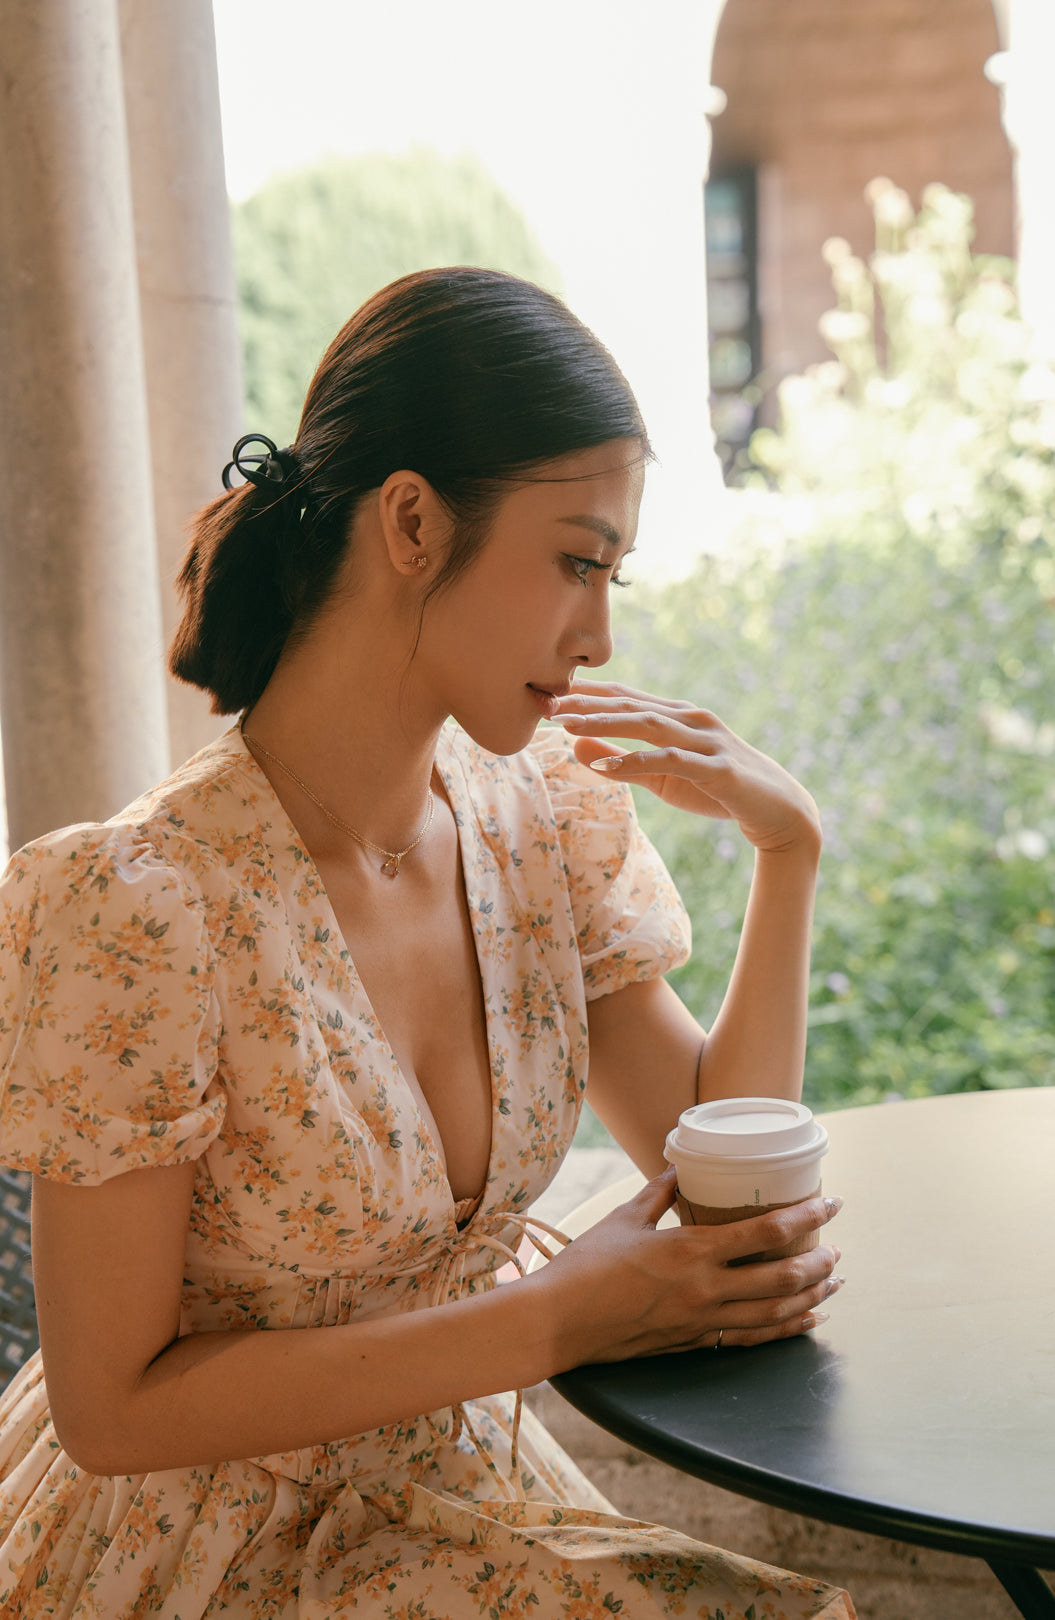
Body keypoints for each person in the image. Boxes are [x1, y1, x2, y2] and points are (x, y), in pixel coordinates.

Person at [0, 268, 853, 1619]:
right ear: (410, 520)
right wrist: (559, 1316)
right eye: (578, 560)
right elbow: (111, 1410)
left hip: (451, 1504)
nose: (601, 632)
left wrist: (788, 854)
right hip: (197, 1554)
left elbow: (708, 1146)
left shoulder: (544, 827)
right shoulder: (140, 907)